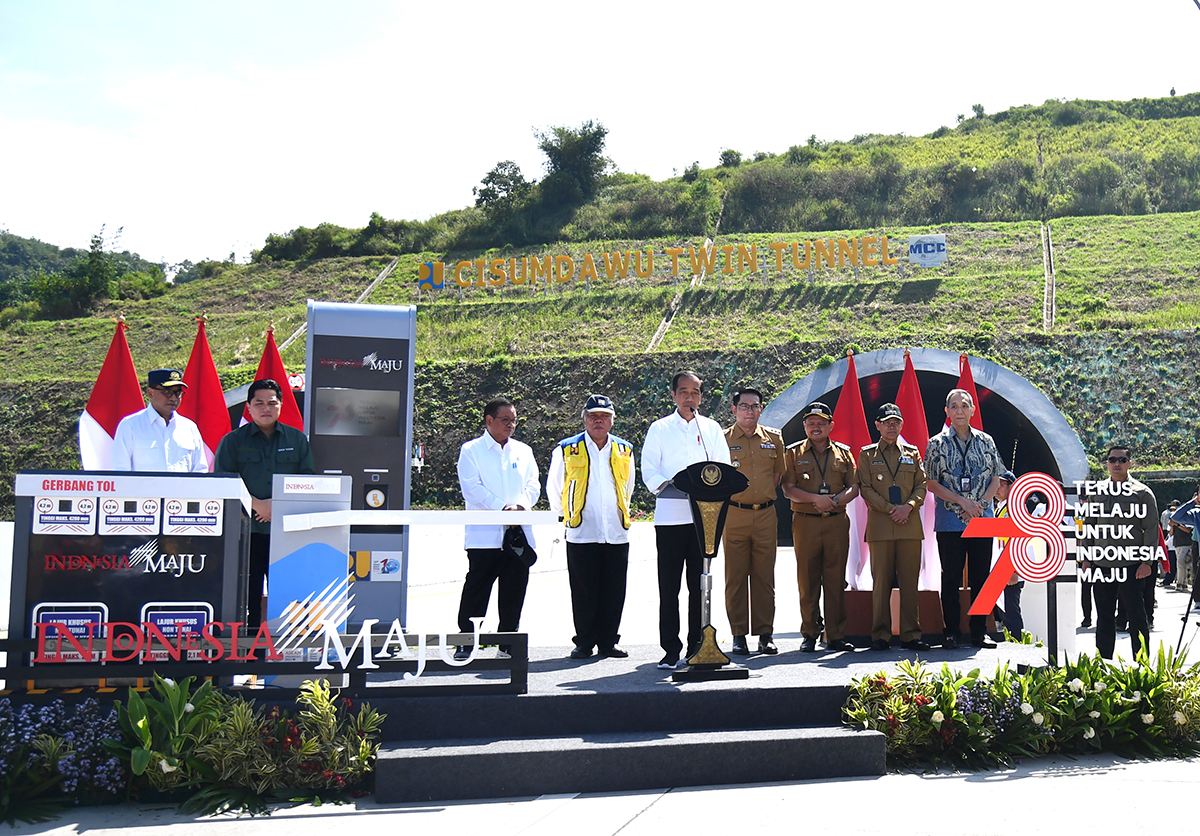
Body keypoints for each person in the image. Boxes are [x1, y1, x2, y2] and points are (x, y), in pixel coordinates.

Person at [641, 370, 731, 670]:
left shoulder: (711, 429)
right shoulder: (660, 428)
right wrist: (672, 485)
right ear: (673, 395)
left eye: (694, 392)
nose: (689, 397)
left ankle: (698, 645)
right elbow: (649, 470)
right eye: (683, 391)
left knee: (699, 586)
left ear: (701, 397)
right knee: (669, 587)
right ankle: (670, 649)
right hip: (670, 519)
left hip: (704, 520)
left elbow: (724, 467)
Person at [214, 378, 315, 629]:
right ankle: (250, 655)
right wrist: (256, 505)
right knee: (247, 597)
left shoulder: (297, 440)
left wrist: (277, 505)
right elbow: (224, 482)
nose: (265, 408)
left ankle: (283, 654)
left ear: (281, 406)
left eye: (272, 402)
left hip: (286, 532)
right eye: (259, 403)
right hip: (246, 532)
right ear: (248, 407)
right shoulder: (232, 442)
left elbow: (308, 481)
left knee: (288, 596)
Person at [547, 394, 636, 660]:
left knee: (614, 589)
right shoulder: (566, 448)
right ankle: (584, 641)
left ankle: (609, 641)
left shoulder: (624, 449)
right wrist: (567, 515)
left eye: (605, 416)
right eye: (594, 416)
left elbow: (628, 487)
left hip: (616, 531)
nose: (599, 421)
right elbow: (555, 487)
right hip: (581, 530)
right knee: (584, 590)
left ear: (612, 420)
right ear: (584, 418)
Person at [455, 397, 541, 659]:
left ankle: (508, 644)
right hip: (484, 538)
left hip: (517, 533)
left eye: (514, 420)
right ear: (489, 420)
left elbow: (533, 485)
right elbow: (471, 488)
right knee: (477, 589)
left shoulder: (523, 451)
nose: (511, 425)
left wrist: (521, 507)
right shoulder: (471, 450)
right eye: (505, 420)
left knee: (514, 590)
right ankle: (467, 641)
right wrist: (502, 508)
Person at [924, 388, 1006, 649]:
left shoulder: (986, 441)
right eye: (954, 406)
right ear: (947, 412)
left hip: (983, 517)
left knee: (981, 576)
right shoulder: (936, 443)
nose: (960, 410)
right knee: (950, 577)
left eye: (965, 406)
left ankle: (979, 631)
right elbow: (931, 483)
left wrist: (980, 504)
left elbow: (996, 477)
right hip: (950, 520)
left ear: (973, 410)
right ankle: (951, 632)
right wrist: (963, 502)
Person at [781, 401, 860, 653]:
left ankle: (835, 634)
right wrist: (817, 500)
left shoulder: (844, 453)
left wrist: (834, 501)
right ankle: (810, 632)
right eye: (811, 423)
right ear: (804, 425)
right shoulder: (793, 453)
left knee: (836, 580)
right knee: (808, 579)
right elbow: (788, 489)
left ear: (830, 426)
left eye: (821, 423)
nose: (816, 427)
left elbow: (854, 487)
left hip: (836, 521)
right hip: (806, 523)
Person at [857, 403, 929, 651]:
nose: (891, 426)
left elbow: (922, 484)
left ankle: (911, 634)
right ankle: (880, 635)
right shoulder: (867, 454)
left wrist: (908, 506)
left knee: (910, 583)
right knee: (882, 584)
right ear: (877, 425)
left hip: (909, 525)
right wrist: (891, 509)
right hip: (881, 526)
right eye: (887, 422)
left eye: (896, 422)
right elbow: (865, 488)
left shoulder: (912, 452)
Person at [721, 387, 785, 655]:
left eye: (755, 406)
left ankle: (765, 633)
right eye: (744, 406)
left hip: (766, 515)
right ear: (734, 410)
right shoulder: (721, 439)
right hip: (734, 514)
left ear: (761, 409)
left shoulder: (774, 438)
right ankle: (738, 634)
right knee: (735, 577)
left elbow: (778, 474)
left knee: (764, 577)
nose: (750, 411)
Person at [1079, 445, 1156, 660]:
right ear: (1107, 463)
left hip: (1132, 565)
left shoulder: (1142, 493)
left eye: (1122, 460)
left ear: (1130, 463)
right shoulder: (1097, 492)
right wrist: (1087, 558)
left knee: (1137, 617)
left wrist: (1147, 562)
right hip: (1102, 565)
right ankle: (1103, 665)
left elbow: (1150, 528)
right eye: (1112, 460)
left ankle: (1142, 666)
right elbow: (1089, 524)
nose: (1117, 464)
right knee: (1103, 617)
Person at [111, 368, 208, 473]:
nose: (174, 398)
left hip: (182, 489)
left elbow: (200, 470)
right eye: (167, 392)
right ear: (150, 393)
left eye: (178, 393)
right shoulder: (130, 425)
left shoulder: (189, 427)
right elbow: (121, 471)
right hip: (144, 489)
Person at [992, 470, 1025, 638]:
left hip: (1010, 567)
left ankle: (1018, 643)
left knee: (1011, 609)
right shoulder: (1000, 508)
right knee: (1004, 610)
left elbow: (1017, 539)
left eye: (1002, 484)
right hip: (1000, 565)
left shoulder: (1015, 508)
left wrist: (1013, 570)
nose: (997, 488)